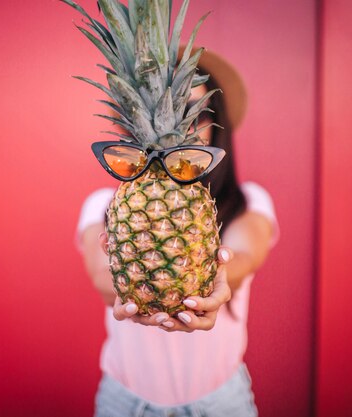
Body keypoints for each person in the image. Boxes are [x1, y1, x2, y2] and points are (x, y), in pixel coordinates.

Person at [76, 47, 281, 417]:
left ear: (218, 126)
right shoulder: (104, 205)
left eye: (198, 114)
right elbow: (98, 274)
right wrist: (129, 281)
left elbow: (247, 257)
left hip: (221, 402)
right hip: (125, 402)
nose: (187, 130)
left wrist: (208, 274)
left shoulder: (249, 202)